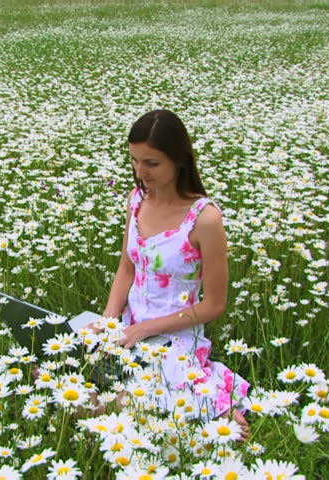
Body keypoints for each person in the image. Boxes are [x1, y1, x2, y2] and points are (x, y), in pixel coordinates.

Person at [100, 109, 250, 433]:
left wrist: (146, 329)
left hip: (175, 337)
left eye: (152, 163)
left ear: (179, 161)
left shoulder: (204, 219)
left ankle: (214, 408)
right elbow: (126, 269)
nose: (141, 172)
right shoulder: (136, 200)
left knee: (124, 403)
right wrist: (108, 322)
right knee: (81, 367)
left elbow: (214, 304)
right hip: (129, 327)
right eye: (134, 160)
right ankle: (206, 406)